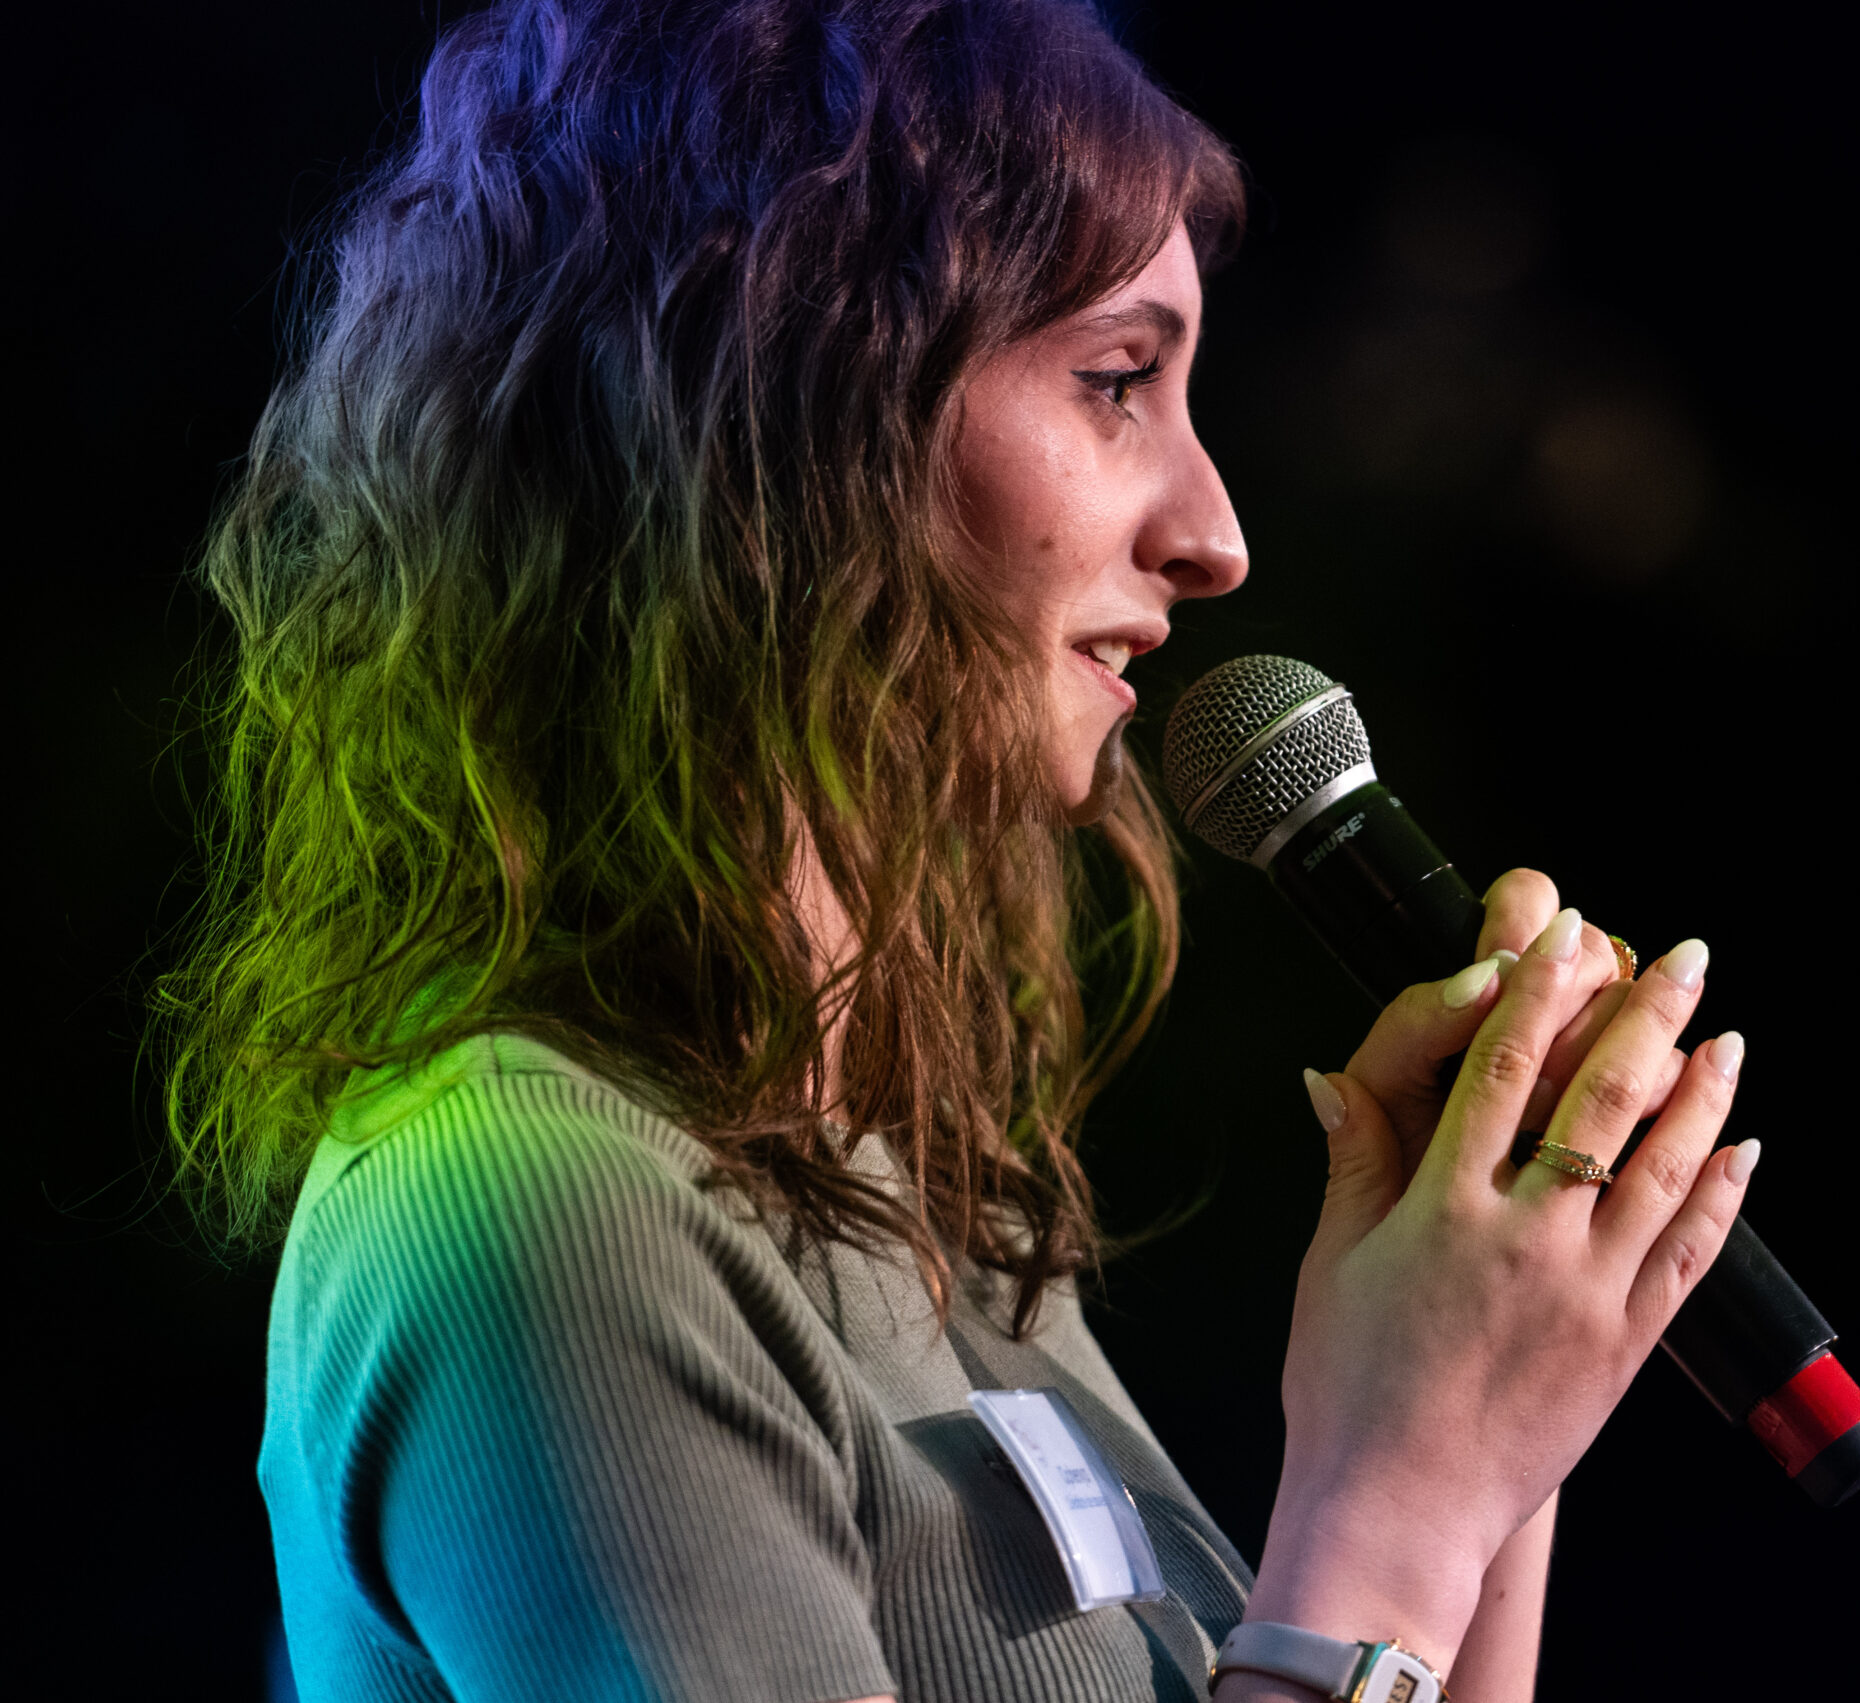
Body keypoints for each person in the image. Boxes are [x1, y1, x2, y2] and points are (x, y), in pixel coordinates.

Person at [161, 4, 1762, 1699]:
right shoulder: (540, 1210)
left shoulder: (909, 1190)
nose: (1214, 534)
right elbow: (1367, 1596)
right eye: (1117, 382)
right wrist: (1393, 1510)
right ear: (788, 411)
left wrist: (1483, 1421)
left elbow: (1386, 1634)